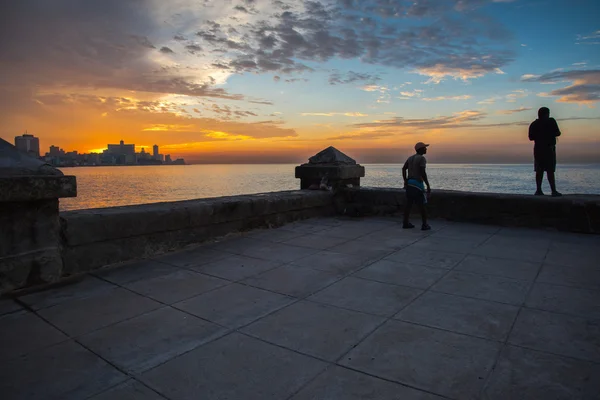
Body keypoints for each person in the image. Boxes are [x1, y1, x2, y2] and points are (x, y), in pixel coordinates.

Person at [529, 107, 562, 196]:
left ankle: (539, 190)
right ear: (546, 114)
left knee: (539, 170)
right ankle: (553, 191)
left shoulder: (534, 124)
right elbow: (558, 133)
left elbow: (531, 137)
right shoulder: (551, 122)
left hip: (538, 150)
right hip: (548, 149)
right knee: (549, 170)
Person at [402, 142, 431, 230]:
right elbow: (423, 172)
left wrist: (405, 180)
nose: (426, 149)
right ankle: (424, 224)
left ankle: (405, 223)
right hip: (417, 184)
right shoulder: (422, 159)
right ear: (420, 149)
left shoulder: (410, 158)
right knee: (422, 205)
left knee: (409, 205)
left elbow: (403, 168)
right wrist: (428, 185)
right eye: (424, 148)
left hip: (410, 183)